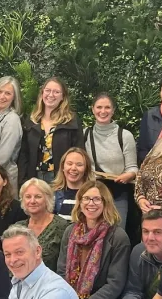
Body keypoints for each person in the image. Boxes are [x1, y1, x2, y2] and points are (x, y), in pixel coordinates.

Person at [57, 181, 130, 299]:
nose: (91, 203)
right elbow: (61, 271)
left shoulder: (117, 237)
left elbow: (115, 284)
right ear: (79, 202)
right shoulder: (70, 232)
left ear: (106, 203)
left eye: (97, 199)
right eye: (86, 198)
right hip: (72, 298)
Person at [18, 77, 85, 188]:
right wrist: (23, 180)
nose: (51, 95)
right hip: (34, 178)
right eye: (48, 90)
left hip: (60, 179)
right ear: (42, 93)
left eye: (56, 92)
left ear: (63, 97)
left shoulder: (71, 121)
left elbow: (79, 152)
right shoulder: (32, 120)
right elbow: (24, 154)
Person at [83, 92, 137, 226]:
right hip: (93, 195)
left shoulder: (125, 136)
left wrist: (128, 176)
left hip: (117, 194)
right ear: (93, 109)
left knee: (117, 235)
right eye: (99, 107)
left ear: (113, 111)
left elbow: (133, 167)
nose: (103, 111)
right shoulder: (85, 134)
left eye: (107, 107)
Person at [17, 178, 66, 268]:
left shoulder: (62, 226)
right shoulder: (18, 228)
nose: (32, 201)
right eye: (28, 197)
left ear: (47, 199)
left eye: (38, 196)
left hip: (52, 280)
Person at [51, 147, 92, 221]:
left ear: (86, 169)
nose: (73, 168)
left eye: (79, 165)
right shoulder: (53, 195)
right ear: (63, 167)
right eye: (69, 164)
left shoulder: (94, 195)